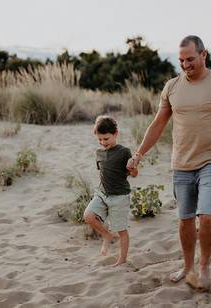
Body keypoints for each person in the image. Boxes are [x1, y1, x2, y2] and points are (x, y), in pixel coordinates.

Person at [127, 35, 211, 290]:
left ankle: (204, 266)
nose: (185, 65)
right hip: (182, 164)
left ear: (204, 55)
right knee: (185, 220)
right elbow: (157, 124)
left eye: (190, 59)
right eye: (181, 60)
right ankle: (187, 266)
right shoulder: (172, 87)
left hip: (209, 161)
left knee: (206, 217)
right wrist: (138, 154)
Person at [84, 115, 138, 266]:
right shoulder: (99, 153)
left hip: (119, 196)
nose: (102, 142)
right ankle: (107, 235)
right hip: (102, 193)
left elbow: (133, 174)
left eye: (106, 139)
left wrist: (133, 168)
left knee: (121, 231)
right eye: (99, 139)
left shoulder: (124, 152)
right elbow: (102, 172)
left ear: (116, 133)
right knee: (88, 216)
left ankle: (122, 259)